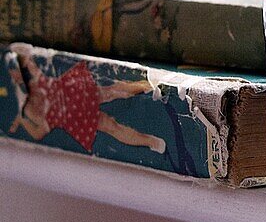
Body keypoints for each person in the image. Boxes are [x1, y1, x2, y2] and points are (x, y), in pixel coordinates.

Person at [5, 45, 166, 154]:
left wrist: (20, 57)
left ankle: (152, 86)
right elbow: (38, 132)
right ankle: (151, 141)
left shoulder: (36, 86)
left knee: (115, 93)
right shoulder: (38, 108)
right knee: (113, 122)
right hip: (75, 111)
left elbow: (27, 60)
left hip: (75, 95)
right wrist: (22, 120)